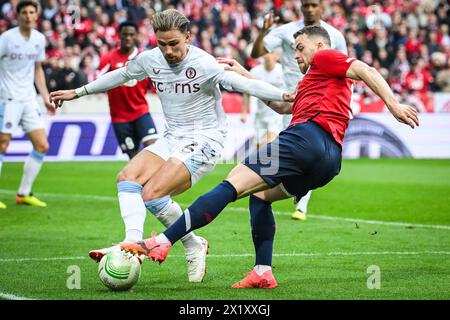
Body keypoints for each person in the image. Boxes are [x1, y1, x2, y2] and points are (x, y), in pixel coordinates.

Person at [120, 25, 419, 289]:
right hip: (329, 161)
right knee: (260, 197)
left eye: (300, 49)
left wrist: (393, 105)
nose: (295, 56)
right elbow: (280, 107)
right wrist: (244, 74)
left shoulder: (326, 57)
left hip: (305, 138)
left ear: (319, 45)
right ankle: (263, 271)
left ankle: (162, 241)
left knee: (230, 184)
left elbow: (367, 70)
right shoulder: (314, 83)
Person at [49, 9, 293, 282]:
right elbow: (120, 75)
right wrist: (78, 92)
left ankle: (148, 248)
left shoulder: (205, 63)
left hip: (205, 138)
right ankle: (139, 243)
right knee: (127, 179)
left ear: (187, 38)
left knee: (152, 194)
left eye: (174, 43)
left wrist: (285, 95)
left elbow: (245, 85)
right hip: (172, 136)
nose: (168, 50)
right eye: (162, 43)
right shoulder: (150, 59)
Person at [251, 0, 348, 221]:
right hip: (289, 99)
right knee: (278, 150)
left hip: (318, 102)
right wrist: (264, 30)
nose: (310, 10)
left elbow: (346, 67)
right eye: (306, 5)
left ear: (322, 6)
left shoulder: (335, 35)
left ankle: (301, 203)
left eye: (314, 5)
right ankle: (274, 190)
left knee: (308, 151)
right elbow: (257, 52)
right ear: (301, 7)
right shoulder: (286, 31)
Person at [0, 0, 56, 209]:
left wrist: (45, 97)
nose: (28, 16)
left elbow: (38, 69)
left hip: (28, 98)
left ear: (37, 15)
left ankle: (24, 193)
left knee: (42, 145)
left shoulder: (39, 39)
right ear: (18, 15)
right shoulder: (7, 38)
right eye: (24, 12)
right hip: (8, 98)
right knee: (2, 144)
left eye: (32, 12)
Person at [97, 21, 158, 159]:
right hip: (120, 116)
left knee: (154, 148)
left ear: (136, 36)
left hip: (141, 111)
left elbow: (155, 80)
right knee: (134, 158)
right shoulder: (108, 58)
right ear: (119, 36)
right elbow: (98, 81)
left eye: (131, 34)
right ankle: (142, 180)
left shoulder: (144, 58)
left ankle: (154, 180)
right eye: (125, 34)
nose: (128, 38)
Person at [240, 51, 284, 149]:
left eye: (270, 52)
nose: (267, 55)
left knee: (271, 141)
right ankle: (264, 160)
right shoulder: (255, 72)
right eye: (266, 53)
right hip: (260, 113)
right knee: (258, 146)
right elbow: (247, 92)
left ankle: (274, 159)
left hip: (276, 114)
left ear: (276, 56)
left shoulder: (282, 71)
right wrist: (244, 112)